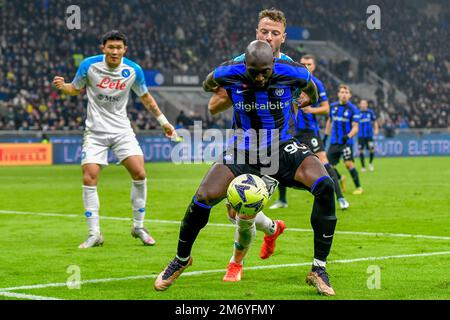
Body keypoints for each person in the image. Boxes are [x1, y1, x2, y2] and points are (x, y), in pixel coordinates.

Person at [154, 40, 337, 296]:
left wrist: (301, 100)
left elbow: (312, 91)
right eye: (254, 72)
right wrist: (226, 90)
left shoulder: (292, 71)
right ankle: (181, 259)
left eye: (265, 71)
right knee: (203, 197)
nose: (260, 77)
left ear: (273, 64)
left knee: (325, 185)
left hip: (281, 146)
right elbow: (208, 84)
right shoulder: (229, 71)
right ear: (245, 66)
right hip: (243, 149)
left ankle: (318, 269)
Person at [52, 30, 177, 248]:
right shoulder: (89, 66)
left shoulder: (133, 70)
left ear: (124, 50)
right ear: (103, 48)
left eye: (119, 48)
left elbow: (146, 97)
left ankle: (138, 226)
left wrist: (164, 122)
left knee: (139, 173)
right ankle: (94, 234)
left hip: (122, 131)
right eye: (110, 47)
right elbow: (75, 88)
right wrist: (64, 87)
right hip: (95, 133)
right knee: (89, 177)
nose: (115, 51)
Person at [208, 9, 291, 280]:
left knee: (245, 210)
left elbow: (305, 99)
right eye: (264, 31)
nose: (268, 37)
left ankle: (235, 264)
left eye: (274, 33)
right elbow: (213, 106)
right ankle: (272, 228)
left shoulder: (291, 68)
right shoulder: (237, 66)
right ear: (256, 33)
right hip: (241, 147)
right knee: (233, 211)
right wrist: (244, 89)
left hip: (273, 150)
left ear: (283, 38)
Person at [270, 54, 349, 210]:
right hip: (290, 130)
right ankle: (282, 200)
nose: (306, 66)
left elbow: (326, 108)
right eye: (303, 63)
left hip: (309, 131)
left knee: (324, 162)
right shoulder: (291, 80)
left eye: (309, 64)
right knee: (279, 163)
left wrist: (312, 109)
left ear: (314, 66)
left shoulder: (316, 84)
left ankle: (340, 198)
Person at [324, 84, 363, 195]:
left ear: (350, 95)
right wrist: (326, 136)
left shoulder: (353, 109)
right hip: (334, 142)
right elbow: (329, 122)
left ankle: (359, 187)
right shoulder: (333, 107)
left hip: (346, 142)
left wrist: (348, 136)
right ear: (338, 94)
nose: (344, 95)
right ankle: (340, 178)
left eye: (346, 93)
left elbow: (356, 127)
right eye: (342, 92)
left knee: (348, 164)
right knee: (327, 166)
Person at [358, 100, 378, 172]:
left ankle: (370, 163)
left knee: (371, 149)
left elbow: (375, 121)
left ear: (367, 105)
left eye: (364, 104)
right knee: (361, 151)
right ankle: (363, 167)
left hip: (369, 136)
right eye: (362, 104)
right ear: (360, 105)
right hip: (361, 136)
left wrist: (376, 129)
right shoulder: (357, 113)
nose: (363, 105)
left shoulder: (370, 112)